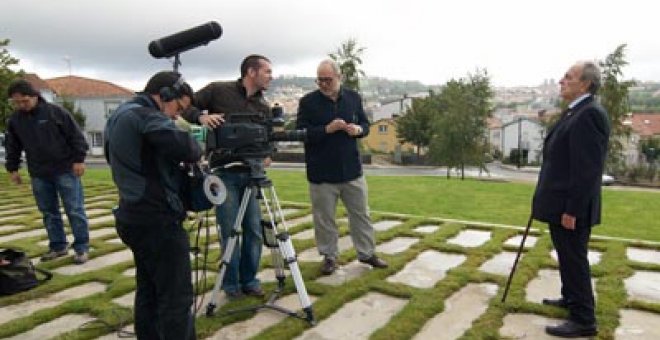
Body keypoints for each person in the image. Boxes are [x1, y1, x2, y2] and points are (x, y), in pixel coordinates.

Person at [104, 71, 200, 339]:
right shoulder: (146, 117)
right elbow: (189, 149)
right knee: (176, 297)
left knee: (149, 290)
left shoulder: (120, 115)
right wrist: (190, 132)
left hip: (131, 215)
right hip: (157, 221)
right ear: (165, 95)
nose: (175, 115)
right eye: (177, 108)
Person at [182, 54, 273, 298]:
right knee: (230, 230)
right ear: (251, 72)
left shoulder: (263, 107)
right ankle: (230, 284)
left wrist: (266, 154)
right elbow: (185, 104)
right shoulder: (218, 91)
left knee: (253, 230)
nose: (270, 77)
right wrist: (201, 117)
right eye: (267, 72)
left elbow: (266, 139)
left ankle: (249, 280)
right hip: (223, 174)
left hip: (251, 173)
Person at [532, 61, 610, 338]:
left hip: (571, 208)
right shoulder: (575, 111)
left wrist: (572, 210)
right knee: (567, 256)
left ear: (585, 84)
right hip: (560, 203)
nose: (561, 81)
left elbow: (587, 171)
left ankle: (583, 319)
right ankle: (571, 298)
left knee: (574, 259)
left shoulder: (589, 115)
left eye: (568, 77)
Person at [296, 59, 388, 275]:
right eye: (319, 80)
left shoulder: (353, 98)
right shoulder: (308, 102)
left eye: (327, 80)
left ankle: (367, 254)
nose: (323, 84)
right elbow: (301, 133)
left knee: (361, 215)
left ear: (339, 77)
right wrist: (326, 129)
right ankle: (329, 257)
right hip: (322, 172)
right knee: (324, 218)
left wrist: (358, 130)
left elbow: (366, 125)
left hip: (351, 170)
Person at [5, 79, 90, 264]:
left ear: (35, 96)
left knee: (74, 210)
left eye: (24, 101)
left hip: (65, 169)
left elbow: (75, 136)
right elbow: (13, 145)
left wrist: (79, 159)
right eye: (16, 102)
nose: (21, 105)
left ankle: (82, 247)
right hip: (39, 172)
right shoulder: (15, 120)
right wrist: (13, 168)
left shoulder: (55, 112)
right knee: (49, 212)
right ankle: (58, 246)